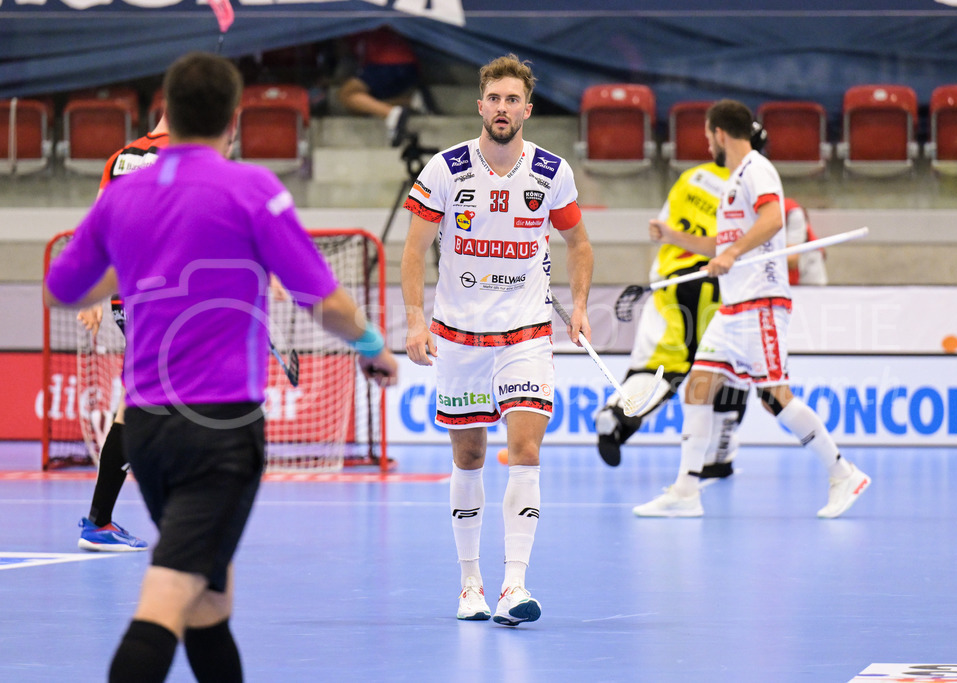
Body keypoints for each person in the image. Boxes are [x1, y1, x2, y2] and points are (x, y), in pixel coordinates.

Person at [44, 52, 398, 682]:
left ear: (166, 114)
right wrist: (373, 349)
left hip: (147, 431)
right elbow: (325, 300)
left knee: (210, 600)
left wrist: (131, 262)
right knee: (171, 592)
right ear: (234, 120)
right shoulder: (254, 190)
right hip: (220, 431)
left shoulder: (124, 192)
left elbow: (63, 289)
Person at [401, 54, 593, 626]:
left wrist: (578, 306)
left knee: (526, 449)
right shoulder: (444, 169)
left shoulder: (552, 171)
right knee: (470, 455)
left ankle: (515, 585)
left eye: (514, 100)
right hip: (458, 336)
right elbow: (413, 250)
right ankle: (470, 585)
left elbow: (579, 245)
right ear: (480, 105)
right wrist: (415, 320)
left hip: (526, 332)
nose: (504, 108)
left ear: (527, 110)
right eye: (495, 99)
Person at [632, 99, 870, 519]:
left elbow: (774, 219)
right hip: (732, 307)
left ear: (720, 134)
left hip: (760, 303)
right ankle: (686, 491)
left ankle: (843, 473)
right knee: (698, 387)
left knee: (776, 399)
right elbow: (720, 248)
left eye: (708, 137)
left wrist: (735, 251)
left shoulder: (757, 169)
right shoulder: (733, 181)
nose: (708, 145)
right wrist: (673, 235)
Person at [594, 125, 774, 475]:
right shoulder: (753, 184)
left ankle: (619, 413)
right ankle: (718, 456)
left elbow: (658, 229)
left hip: (670, 281)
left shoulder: (692, 177)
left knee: (660, 364)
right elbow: (748, 242)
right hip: (716, 286)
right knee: (729, 368)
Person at [74, 112, 171, 553]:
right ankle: (102, 520)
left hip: (126, 298)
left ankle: (102, 519)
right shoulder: (191, 157)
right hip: (164, 299)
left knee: (145, 400)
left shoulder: (121, 158)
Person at [335, 26, 423, 147]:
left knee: (346, 94)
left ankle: (392, 113)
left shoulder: (351, 26)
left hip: (386, 64)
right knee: (361, 104)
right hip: (410, 67)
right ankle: (409, 101)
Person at [784, 198, 828, 285]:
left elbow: (792, 259)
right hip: (776, 271)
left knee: (815, 296)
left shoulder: (792, 211)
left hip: (807, 261)